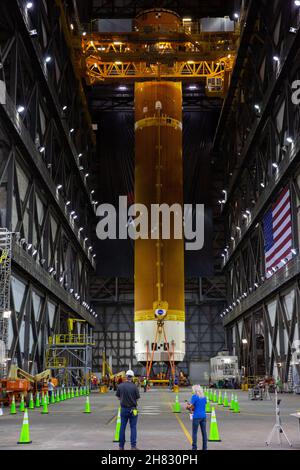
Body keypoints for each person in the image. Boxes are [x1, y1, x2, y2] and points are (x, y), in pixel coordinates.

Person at [116, 370, 140, 450]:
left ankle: (121, 446)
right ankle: (133, 446)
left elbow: (118, 397)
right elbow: (137, 398)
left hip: (123, 409)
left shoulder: (120, 386)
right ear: (132, 377)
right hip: (133, 410)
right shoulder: (134, 387)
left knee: (122, 428)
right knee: (133, 427)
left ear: (126, 376)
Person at [186, 385, 207, 451]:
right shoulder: (204, 397)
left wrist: (188, 406)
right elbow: (201, 405)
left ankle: (194, 448)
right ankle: (204, 448)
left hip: (196, 416)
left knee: (194, 433)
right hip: (203, 416)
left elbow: (190, 406)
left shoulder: (194, 397)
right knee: (204, 433)